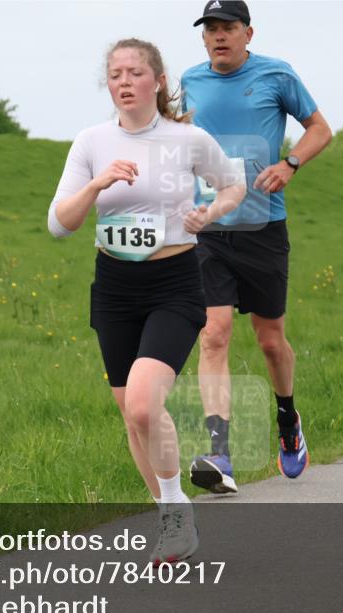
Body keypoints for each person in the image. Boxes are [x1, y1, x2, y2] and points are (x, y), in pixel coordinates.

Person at [48, 38, 245, 560]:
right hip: (113, 289)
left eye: (136, 72)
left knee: (142, 403)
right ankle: (171, 519)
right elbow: (58, 224)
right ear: (108, 84)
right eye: (115, 74)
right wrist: (97, 186)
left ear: (157, 81)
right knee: (133, 417)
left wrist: (210, 214)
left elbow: (232, 185)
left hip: (174, 284)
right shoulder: (91, 142)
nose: (125, 81)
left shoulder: (188, 139)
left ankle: (177, 509)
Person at [180, 1, 332, 493]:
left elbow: (320, 130)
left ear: (249, 33)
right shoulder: (190, 81)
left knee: (270, 341)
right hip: (208, 229)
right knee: (214, 333)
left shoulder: (277, 75)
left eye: (228, 28)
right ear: (203, 38)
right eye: (211, 30)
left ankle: (288, 420)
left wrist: (290, 164)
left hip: (263, 227)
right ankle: (218, 453)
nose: (219, 37)